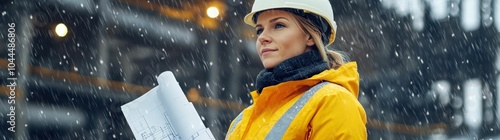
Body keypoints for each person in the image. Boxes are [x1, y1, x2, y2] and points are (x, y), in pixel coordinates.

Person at [225, 0, 367, 139]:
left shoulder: (333, 102)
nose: (262, 37)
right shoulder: (242, 121)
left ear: (311, 36)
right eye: (259, 30)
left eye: (278, 25)